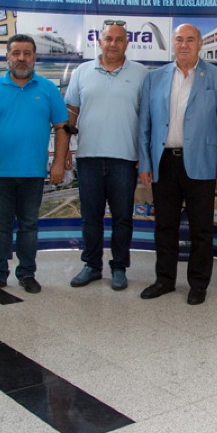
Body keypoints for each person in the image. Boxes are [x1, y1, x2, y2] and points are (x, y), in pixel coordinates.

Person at [137, 23, 217, 305]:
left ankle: (198, 284)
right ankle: (164, 280)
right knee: (164, 226)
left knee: (201, 229)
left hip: (202, 162)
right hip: (164, 162)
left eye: (190, 39)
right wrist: (145, 163)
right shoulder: (154, 78)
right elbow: (145, 125)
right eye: (179, 39)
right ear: (173, 43)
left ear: (200, 44)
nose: (184, 45)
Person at [0, 34, 70, 295]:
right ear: (7, 57)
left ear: (35, 57)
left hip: (33, 172)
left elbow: (62, 127)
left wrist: (58, 162)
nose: (22, 58)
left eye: (27, 53)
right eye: (16, 53)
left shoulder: (47, 89)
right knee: (0, 226)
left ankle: (27, 274)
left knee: (29, 226)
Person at [65, 22, 148, 292]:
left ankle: (119, 268)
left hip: (125, 158)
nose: (113, 44)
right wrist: (64, 151)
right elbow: (71, 113)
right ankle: (91, 265)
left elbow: (148, 118)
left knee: (123, 218)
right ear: (99, 42)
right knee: (91, 218)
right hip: (88, 157)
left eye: (119, 39)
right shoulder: (81, 72)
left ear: (127, 43)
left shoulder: (141, 74)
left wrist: (144, 156)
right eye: (108, 39)